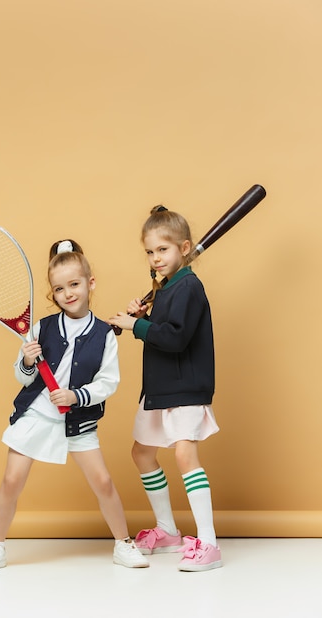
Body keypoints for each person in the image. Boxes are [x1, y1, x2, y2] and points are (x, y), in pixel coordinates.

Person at [0, 239, 149, 572]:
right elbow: (23, 377)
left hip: (77, 420)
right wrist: (26, 362)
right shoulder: (42, 327)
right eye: (59, 288)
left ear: (90, 283)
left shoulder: (105, 334)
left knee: (104, 483)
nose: (68, 293)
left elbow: (108, 383)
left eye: (75, 284)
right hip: (37, 413)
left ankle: (123, 544)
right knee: (11, 480)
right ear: (52, 293)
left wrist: (75, 396)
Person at [109, 205, 222, 572]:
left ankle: (208, 543)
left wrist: (133, 326)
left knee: (185, 455)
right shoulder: (166, 288)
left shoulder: (188, 286)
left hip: (185, 387)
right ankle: (169, 531)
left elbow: (174, 339)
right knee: (142, 453)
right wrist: (144, 317)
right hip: (159, 388)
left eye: (164, 249)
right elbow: (164, 329)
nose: (156, 258)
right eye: (150, 251)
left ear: (185, 248)